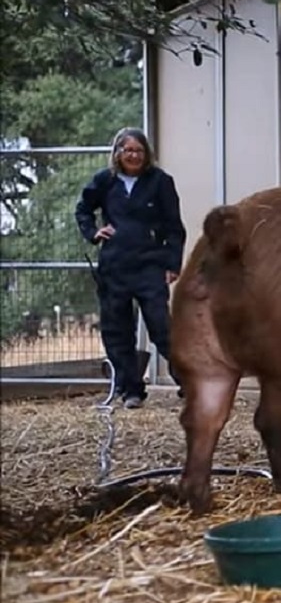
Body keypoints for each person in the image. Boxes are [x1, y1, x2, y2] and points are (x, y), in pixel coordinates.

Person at [74, 127, 187, 408]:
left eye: (138, 150)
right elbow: (83, 209)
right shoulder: (104, 181)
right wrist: (93, 232)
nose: (133, 155)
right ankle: (131, 389)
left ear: (146, 154)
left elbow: (174, 227)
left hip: (150, 266)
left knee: (162, 327)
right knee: (116, 330)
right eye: (127, 150)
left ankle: (189, 382)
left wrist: (172, 264)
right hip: (114, 268)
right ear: (117, 153)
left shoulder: (161, 182)